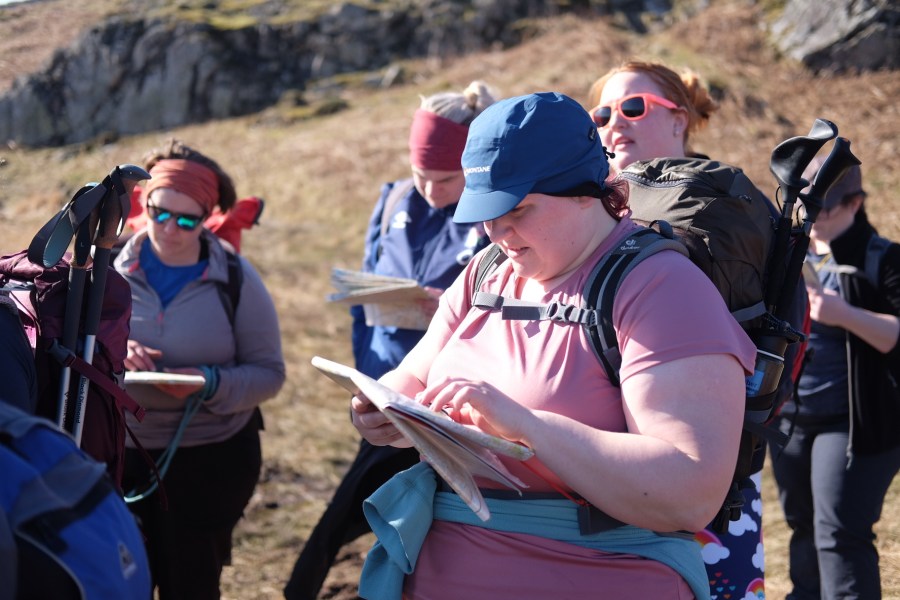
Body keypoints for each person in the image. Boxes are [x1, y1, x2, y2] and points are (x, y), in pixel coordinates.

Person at [350, 91, 756, 598]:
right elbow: (412, 376)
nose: (497, 232)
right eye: (484, 213)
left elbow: (688, 492)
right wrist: (382, 407)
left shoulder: (661, 287)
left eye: (517, 210)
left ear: (585, 191)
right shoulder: (485, 272)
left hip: (597, 572)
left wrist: (524, 425)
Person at [587, 59, 792, 598]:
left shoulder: (723, 209)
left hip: (705, 483)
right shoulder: (586, 205)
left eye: (634, 107)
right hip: (595, 471)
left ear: (680, 120)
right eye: (603, 112)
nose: (615, 122)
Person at [283, 82, 495, 599]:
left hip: (452, 406)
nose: (428, 189)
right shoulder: (395, 199)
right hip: (386, 392)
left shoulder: (498, 215)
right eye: (420, 174)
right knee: (368, 517)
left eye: (444, 178)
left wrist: (446, 307)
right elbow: (363, 302)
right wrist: (369, 376)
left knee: (358, 520)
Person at [116, 138, 286, 600]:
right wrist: (115, 350)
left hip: (211, 461)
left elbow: (269, 373)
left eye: (187, 219)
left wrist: (208, 384)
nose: (169, 229)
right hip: (117, 456)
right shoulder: (106, 271)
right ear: (143, 204)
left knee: (189, 582)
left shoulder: (235, 278)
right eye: (159, 212)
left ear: (208, 216)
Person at [771, 158, 900, 599]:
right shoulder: (792, 253)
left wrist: (843, 314)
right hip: (790, 417)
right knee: (803, 529)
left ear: (856, 203)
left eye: (826, 210)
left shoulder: (883, 257)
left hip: (854, 424)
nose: (816, 219)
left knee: (839, 533)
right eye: (810, 208)